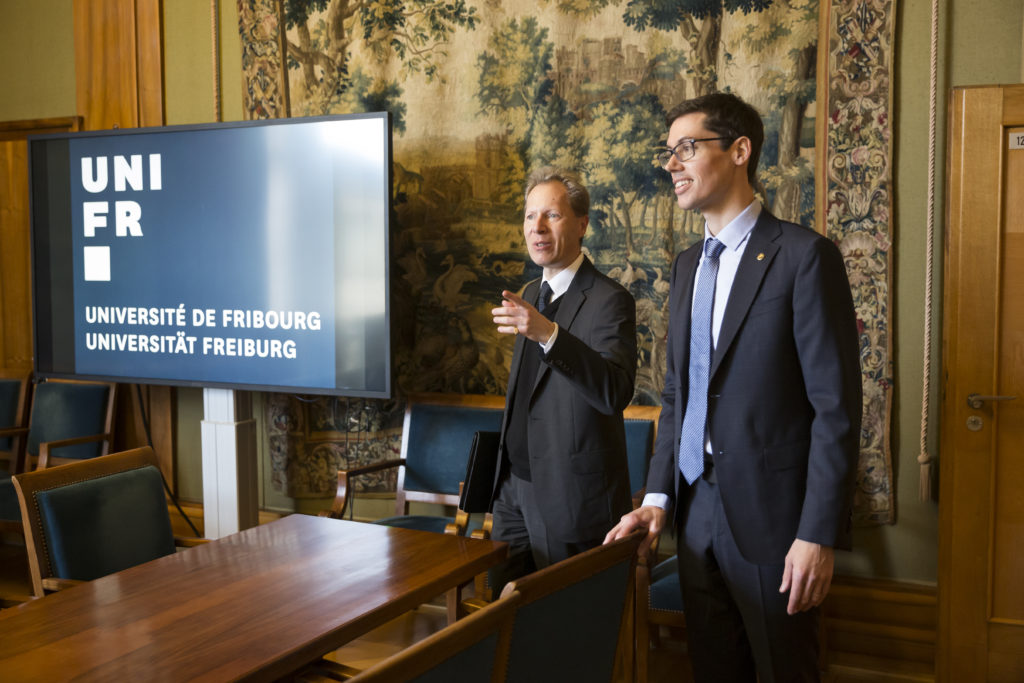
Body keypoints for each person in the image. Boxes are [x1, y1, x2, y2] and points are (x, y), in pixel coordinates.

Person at [605, 93, 862, 682]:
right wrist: (655, 500)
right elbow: (679, 395)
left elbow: (836, 411)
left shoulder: (804, 257)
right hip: (696, 515)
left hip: (778, 524)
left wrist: (816, 535)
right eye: (668, 153)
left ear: (740, 150)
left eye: (687, 149)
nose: (672, 164)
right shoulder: (688, 264)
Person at [489, 166, 637, 582]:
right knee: (505, 620)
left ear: (581, 224)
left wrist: (550, 334)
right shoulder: (531, 293)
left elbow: (615, 391)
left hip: (570, 496)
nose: (536, 227)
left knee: (564, 628)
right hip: (512, 491)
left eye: (550, 215)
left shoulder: (610, 299)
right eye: (529, 216)